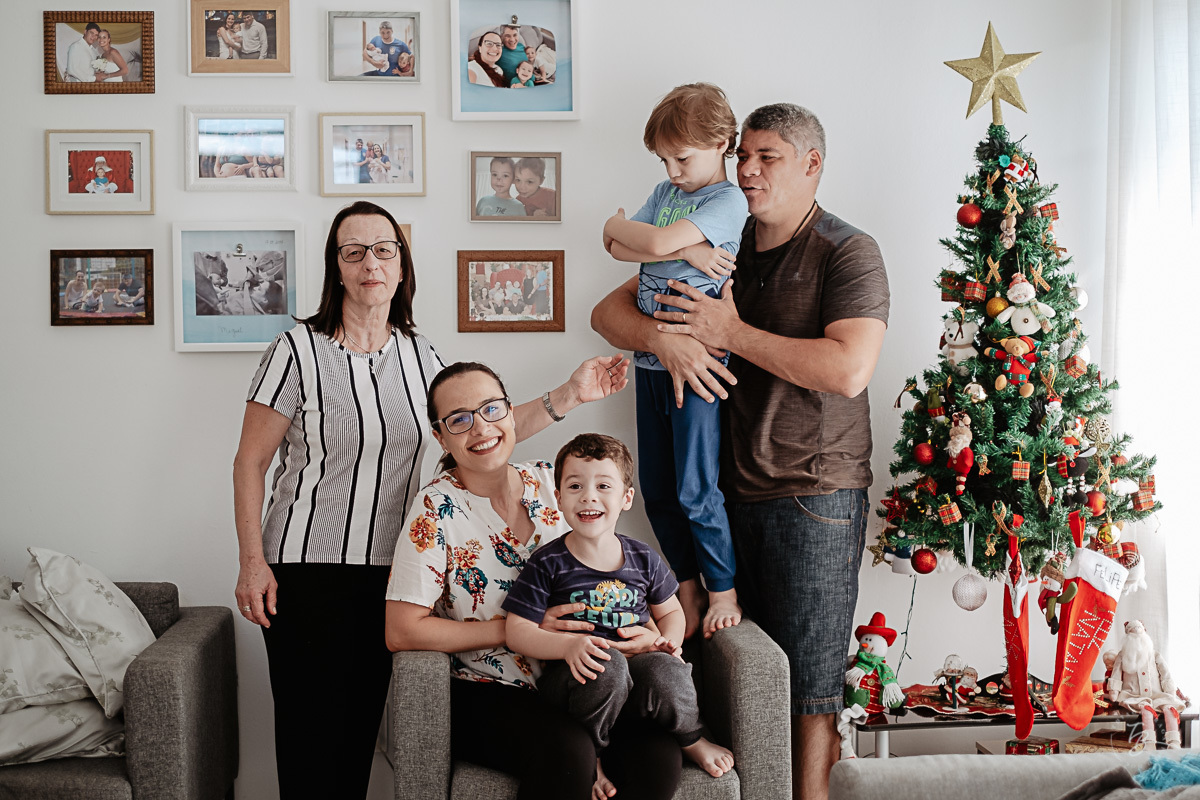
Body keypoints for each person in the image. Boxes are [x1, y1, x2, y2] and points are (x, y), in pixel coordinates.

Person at [233, 201, 628, 800]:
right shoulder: (297, 349)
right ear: (335, 267)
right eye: (354, 251)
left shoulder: (423, 358)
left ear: (401, 266)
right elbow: (251, 461)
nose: (371, 262)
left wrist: (569, 395)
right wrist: (251, 562)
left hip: (391, 575)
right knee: (310, 743)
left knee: (360, 741)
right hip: (303, 569)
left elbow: (482, 428)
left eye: (384, 249)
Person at [591, 103, 890, 800]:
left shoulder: (846, 250)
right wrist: (663, 338)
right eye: (744, 156)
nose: (748, 171)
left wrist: (731, 328)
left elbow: (849, 369)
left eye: (768, 158)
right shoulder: (723, 234)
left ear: (812, 164)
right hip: (724, 493)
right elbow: (608, 314)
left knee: (808, 686)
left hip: (812, 496)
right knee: (737, 670)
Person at [387, 362, 693, 800]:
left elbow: (624, 571)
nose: (480, 428)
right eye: (459, 419)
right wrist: (523, 632)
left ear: (511, 414)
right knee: (568, 752)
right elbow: (400, 630)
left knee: (659, 755)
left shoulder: (555, 483)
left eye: (491, 409)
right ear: (441, 436)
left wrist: (649, 634)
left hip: (587, 681)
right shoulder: (435, 509)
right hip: (491, 691)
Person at [504, 433, 735, 797]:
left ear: (626, 498)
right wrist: (566, 647)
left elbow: (673, 614)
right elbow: (516, 631)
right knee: (607, 665)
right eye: (575, 485)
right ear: (559, 498)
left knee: (668, 669)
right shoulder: (548, 562)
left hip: (635, 677)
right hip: (575, 680)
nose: (589, 496)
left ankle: (691, 737)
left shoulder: (643, 558)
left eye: (603, 486)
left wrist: (662, 641)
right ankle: (591, 759)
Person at [601, 83, 748, 641]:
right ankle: (685, 587)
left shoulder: (727, 202)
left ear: (720, 143)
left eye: (682, 157)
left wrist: (640, 235)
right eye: (664, 159)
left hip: (697, 363)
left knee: (694, 486)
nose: (673, 169)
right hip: (649, 361)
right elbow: (615, 244)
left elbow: (634, 238)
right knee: (658, 486)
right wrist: (679, 248)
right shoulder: (666, 192)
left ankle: (722, 587)